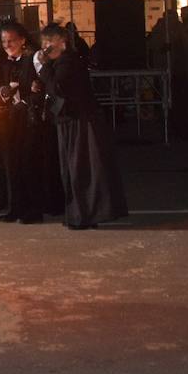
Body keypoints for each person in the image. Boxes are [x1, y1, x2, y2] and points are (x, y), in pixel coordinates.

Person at [36, 24, 130, 229]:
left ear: (62, 42)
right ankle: (79, 213)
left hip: (80, 123)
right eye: (43, 42)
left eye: (48, 42)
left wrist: (42, 70)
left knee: (81, 169)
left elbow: (58, 87)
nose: (45, 47)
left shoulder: (68, 62)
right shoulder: (61, 62)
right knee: (72, 169)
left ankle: (84, 214)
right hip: (72, 121)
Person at [0, 22, 46, 223]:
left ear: (22, 40)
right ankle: (15, 206)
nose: (7, 44)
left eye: (11, 40)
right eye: (4, 41)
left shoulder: (31, 60)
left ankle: (33, 209)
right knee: (11, 163)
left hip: (28, 117)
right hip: (9, 118)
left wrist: (25, 99)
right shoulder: (5, 64)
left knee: (29, 162)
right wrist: (2, 92)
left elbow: (39, 87)